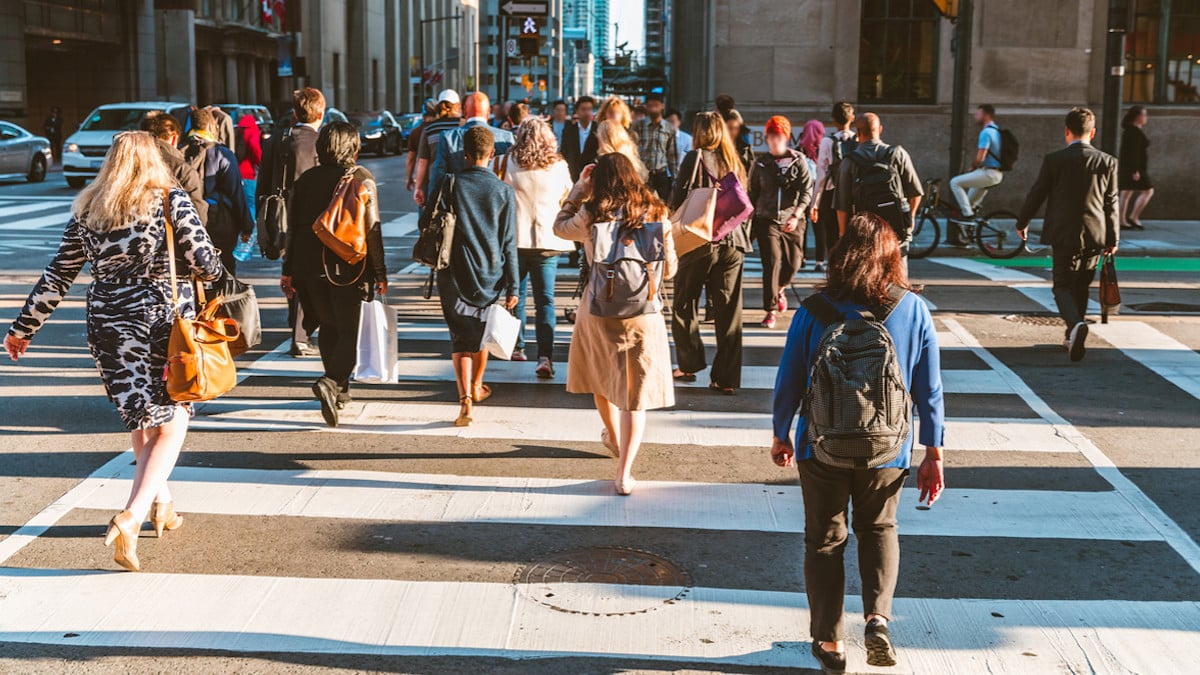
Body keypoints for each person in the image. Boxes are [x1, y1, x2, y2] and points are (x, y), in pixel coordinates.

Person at [5, 131, 223, 572]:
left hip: (108, 324)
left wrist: (23, 328)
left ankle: (163, 504)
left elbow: (58, 275)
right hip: (163, 323)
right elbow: (206, 265)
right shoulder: (170, 201)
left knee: (142, 415)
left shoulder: (90, 210)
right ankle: (133, 513)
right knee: (173, 420)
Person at [771, 213, 946, 673]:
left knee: (825, 540)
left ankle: (830, 643)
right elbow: (929, 390)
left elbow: (789, 376)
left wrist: (780, 432)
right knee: (880, 528)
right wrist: (934, 451)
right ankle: (877, 620)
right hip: (889, 447)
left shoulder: (813, 310)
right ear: (893, 256)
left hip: (820, 443)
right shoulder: (912, 308)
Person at [554, 153, 677, 496]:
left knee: (602, 376)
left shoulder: (593, 212)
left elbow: (559, 228)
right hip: (642, 311)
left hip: (598, 309)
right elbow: (671, 270)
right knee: (634, 396)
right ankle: (624, 474)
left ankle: (611, 435)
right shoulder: (657, 211)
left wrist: (579, 189)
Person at [281, 122, 388, 427]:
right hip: (348, 269)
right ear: (352, 147)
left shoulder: (305, 180)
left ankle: (340, 391)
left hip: (306, 266)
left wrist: (287, 270)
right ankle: (330, 382)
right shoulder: (362, 179)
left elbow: (292, 230)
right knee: (352, 333)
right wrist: (380, 271)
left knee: (328, 326)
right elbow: (372, 230)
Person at [426, 126, 519, 427]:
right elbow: (509, 243)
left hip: (452, 272)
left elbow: (429, 221)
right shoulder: (505, 192)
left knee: (460, 339)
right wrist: (514, 284)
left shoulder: (448, 183)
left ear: (464, 153)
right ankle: (478, 386)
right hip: (490, 274)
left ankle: (465, 399)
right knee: (480, 335)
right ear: (492, 154)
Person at [1017, 107, 1119, 363]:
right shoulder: (1107, 161)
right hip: (1096, 233)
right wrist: (1113, 238)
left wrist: (1023, 221)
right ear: (1092, 132)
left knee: (1062, 285)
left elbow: (1037, 193)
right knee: (1082, 284)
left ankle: (1074, 325)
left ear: (1066, 131)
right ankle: (1072, 333)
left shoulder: (1054, 160)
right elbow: (1112, 202)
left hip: (1063, 232)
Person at [669, 111, 752, 394]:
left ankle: (689, 363)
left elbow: (678, 197)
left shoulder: (695, 158)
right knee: (730, 312)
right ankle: (726, 378)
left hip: (699, 239)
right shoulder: (735, 161)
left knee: (684, 301)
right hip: (733, 242)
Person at [502, 118, 575, 371]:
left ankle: (518, 347)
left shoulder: (506, 162)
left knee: (517, 296)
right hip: (547, 240)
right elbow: (570, 197)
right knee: (546, 300)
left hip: (515, 240)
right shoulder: (559, 166)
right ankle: (545, 356)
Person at [259, 87, 326, 358]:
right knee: (304, 274)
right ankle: (300, 336)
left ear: (295, 112)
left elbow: (263, 181)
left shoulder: (277, 139)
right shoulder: (319, 141)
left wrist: (262, 219)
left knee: (292, 270)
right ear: (320, 112)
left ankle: (297, 328)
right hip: (307, 217)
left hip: (277, 213)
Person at [749, 116, 813, 329]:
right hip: (766, 219)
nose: (774, 140)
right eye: (771, 136)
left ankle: (781, 287)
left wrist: (796, 214)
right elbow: (752, 193)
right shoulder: (760, 163)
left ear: (786, 137)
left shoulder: (798, 160)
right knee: (772, 262)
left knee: (794, 262)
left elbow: (806, 190)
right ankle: (770, 310)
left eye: (778, 136)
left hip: (793, 219)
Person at [835, 113, 923, 264]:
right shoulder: (898, 154)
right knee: (897, 273)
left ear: (858, 132)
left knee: (867, 275)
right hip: (896, 227)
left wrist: (843, 234)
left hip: (865, 228)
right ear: (880, 129)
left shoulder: (849, 161)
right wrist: (911, 218)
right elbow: (915, 192)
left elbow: (842, 203)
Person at [182, 108, 254, 274]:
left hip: (187, 221)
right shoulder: (222, 153)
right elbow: (236, 192)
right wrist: (246, 225)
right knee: (225, 269)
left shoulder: (180, 152)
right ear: (210, 127)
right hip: (220, 222)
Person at [421, 91, 514, 209]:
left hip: (458, 205)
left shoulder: (448, 137)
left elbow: (439, 176)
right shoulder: (506, 138)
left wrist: (431, 206)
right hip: (496, 206)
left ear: (464, 111)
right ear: (488, 112)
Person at [947, 104, 1004, 245]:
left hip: (988, 173)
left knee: (955, 182)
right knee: (969, 203)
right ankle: (966, 235)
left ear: (985, 115)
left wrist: (972, 167)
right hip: (994, 173)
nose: (975, 116)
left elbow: (980, 158)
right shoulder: (996, 130)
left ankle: (968, 216)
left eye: (977, 114)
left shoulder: (986, 132)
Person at [140, 111, 208, 225]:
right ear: (173, 138)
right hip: (169, 238)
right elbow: (197, 218)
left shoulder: (128, 162)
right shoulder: (183, 170)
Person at [812, 102, 856, 272]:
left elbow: (821, 174)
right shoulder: (858, 140)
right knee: (851, 236)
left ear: (833, 120)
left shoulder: (827, 142)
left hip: (831, 194)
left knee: (832, 236)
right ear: (852, 118)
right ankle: (849, 269)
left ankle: (834, 270)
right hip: (852, 195)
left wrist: (814, 203)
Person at [413, 90, 463, 206]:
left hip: (436, 182)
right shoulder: (463, 125)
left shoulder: (430, 129)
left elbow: (422, 162)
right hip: (461, 182)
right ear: (458, 106)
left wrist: (418, 187)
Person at [632, 93, 679, 201]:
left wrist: (675, 178)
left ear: (662, 106)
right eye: (650, 105)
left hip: (660, 174)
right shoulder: (638, 125)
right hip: (642, 174)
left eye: (656, 105)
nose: (653, 109)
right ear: (646, 107)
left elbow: (672, 156)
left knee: (662, 205)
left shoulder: (668, 128)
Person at [1118, 105, 1153, 230]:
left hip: (1134, 168)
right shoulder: (1133, 132)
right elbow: (1133, 153)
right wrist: (1135, 170)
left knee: (1126, 192)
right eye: (1144, 115)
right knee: (1147, 191)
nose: (1146, 118)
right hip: (1135, 169)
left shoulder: (1132, 131)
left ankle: (1124, 219)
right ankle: (1132, 217)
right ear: (1137, 117)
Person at [581, 96, 635, 175]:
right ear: (604, 114)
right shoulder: (596, 135)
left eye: (618, 113)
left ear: (623, 115)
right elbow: (585, 161)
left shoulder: (630, 135)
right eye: (611, 112)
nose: (615, 116)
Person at [560, 96, 597, 181]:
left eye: (589, 109)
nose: (587, 113)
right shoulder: (569, 131)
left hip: (592, 176)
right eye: (583, 109)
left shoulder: (598, 129)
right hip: (573, 176)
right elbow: (564, 152)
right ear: (577, 111)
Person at [235, 113, 263, 224]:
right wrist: (261, 163)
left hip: (237, 171)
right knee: (251, 203)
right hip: (248, 173)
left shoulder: (237, 131)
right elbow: (255, 147)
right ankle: (250, 228)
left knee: (241, 202)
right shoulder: (252, 131)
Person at [406, 100, 436, 192]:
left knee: (424, 204)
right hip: (440, 176)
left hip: (423, 177)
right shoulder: (440, 129)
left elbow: (411, 159)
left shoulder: (416, 132)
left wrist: (409, 178)